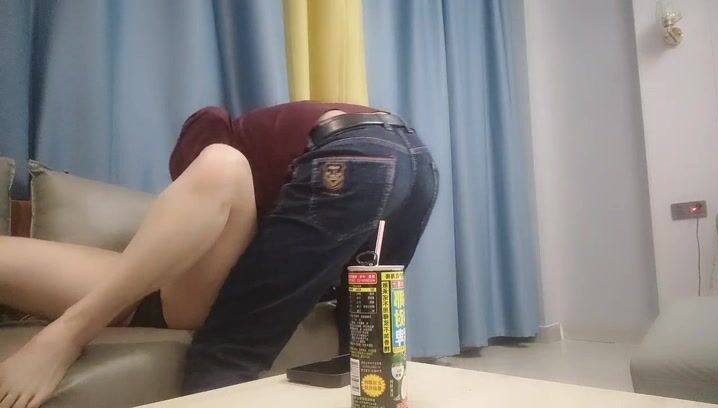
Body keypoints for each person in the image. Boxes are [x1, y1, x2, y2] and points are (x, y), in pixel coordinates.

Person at [0, 101, 438, 407]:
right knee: (368, 324)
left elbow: (212, 148)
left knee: (229, 351)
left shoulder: (220, 139)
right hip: (415, 157)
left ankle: (63, 337)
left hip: (354, 152)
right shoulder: (272, 163)